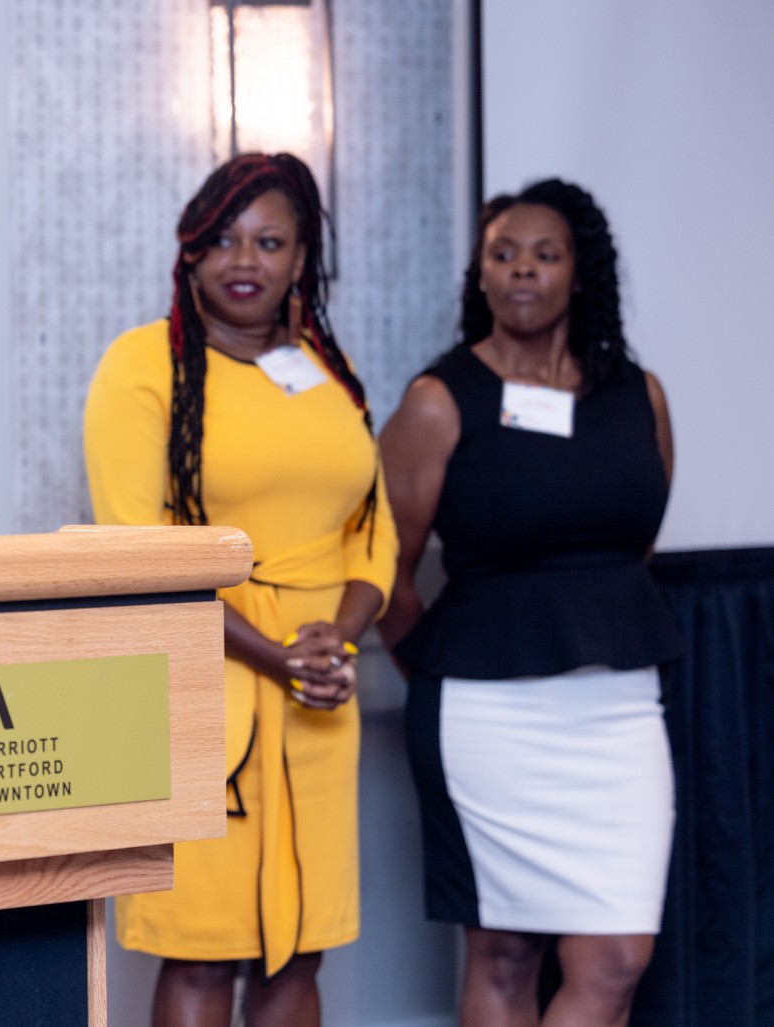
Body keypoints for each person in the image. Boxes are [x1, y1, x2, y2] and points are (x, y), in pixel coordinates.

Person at [83, 153, 397, 1027]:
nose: (244, 258)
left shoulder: (326, 372)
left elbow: (375, 532)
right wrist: (275, 655)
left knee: (300, 949)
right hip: (204, 681)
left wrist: (337, 640)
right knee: (203, 949)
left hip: (320, 689)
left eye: (270, 240)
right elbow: (140, 551)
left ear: (303, 259)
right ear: (191, 250)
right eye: (223, 238)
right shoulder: (143, 367)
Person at [377, 179, 679, 1027]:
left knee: (617, 957)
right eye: (502, 254)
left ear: (579, 272)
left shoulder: (639, 396)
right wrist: (439, 674)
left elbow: (634, 545)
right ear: (479, 274)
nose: (521, 271)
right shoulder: (439, 401)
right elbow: (385, 571)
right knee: (504, 950)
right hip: (486, 714)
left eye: (545, 255)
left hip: (616, 703)